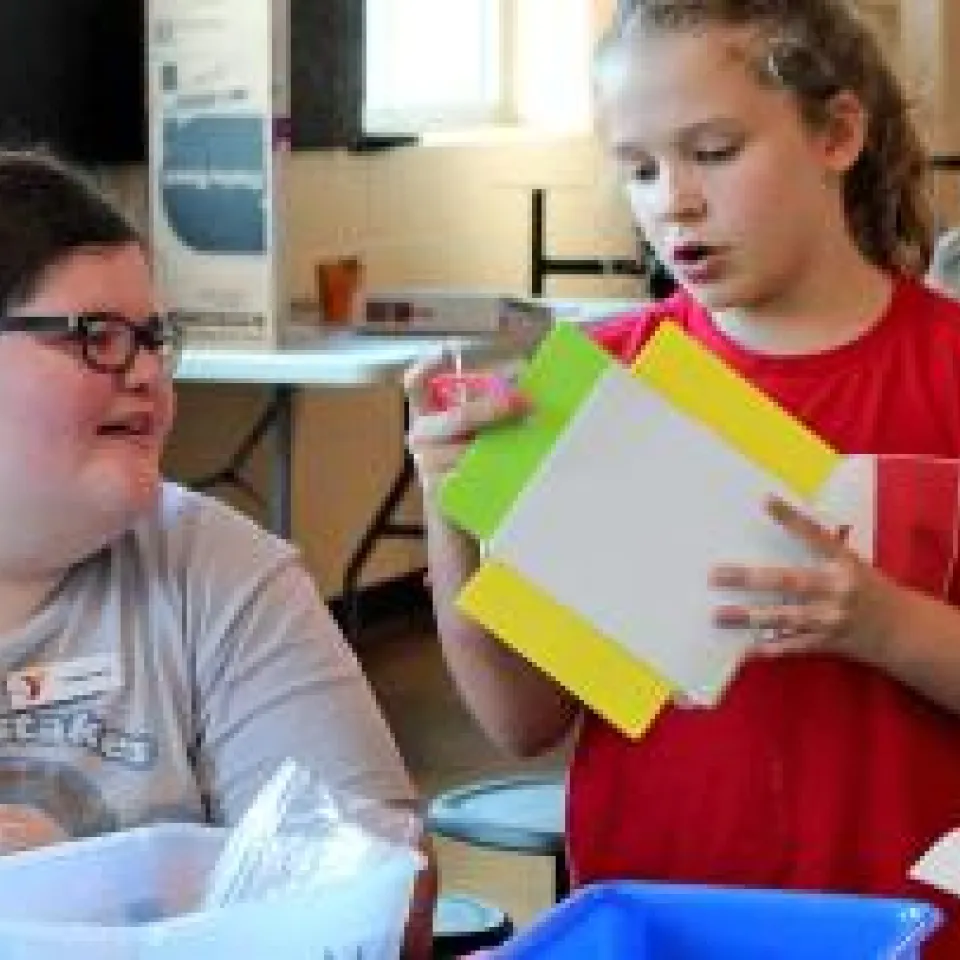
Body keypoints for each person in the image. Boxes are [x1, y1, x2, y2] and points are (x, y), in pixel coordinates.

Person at [406, 0, 960, 954]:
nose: (674, 201)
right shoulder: (599, 387)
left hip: (915, 922)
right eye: (639, 168)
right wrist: (450, 504)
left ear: (838, 133)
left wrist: (886, 625)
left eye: (713, 151)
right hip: (666, 916)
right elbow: (523, 719)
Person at [0, 148, 434, 956]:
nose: (148, 377)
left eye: (155, 339)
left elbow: (387, 901)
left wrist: (80, 895)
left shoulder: (223, 573)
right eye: (97, 336)